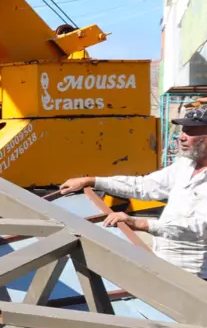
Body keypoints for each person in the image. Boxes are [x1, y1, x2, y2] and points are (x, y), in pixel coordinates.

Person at [59, 105, 207, 278]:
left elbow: (200, 226)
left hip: (196, 275)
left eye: (190, 131)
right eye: (183, 130)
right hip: (166, 264)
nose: (181, 137)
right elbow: (143, 186)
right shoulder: (185, 166)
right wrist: (93, 181)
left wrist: (140, 224)